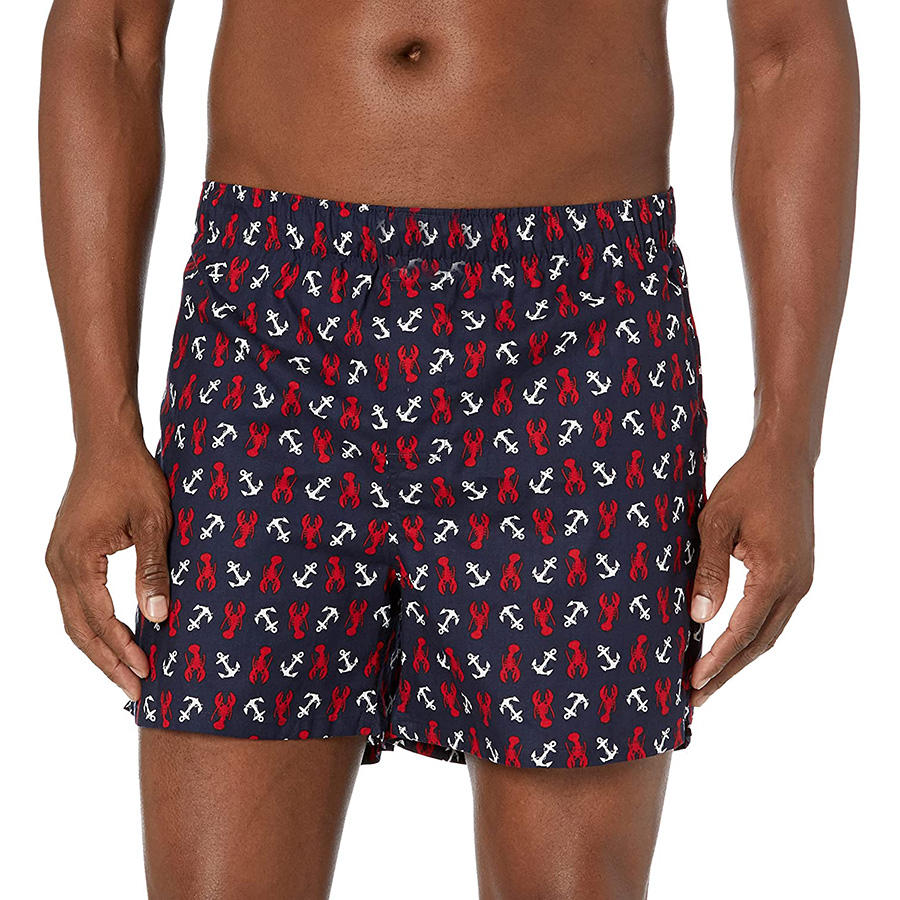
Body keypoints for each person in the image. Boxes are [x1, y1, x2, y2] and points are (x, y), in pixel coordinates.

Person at [39, 1, 859, 897]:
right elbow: (109, 32)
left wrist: (789, 444)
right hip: (272, 324)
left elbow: (789, 47)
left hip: (575, 330)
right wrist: (101, 431)